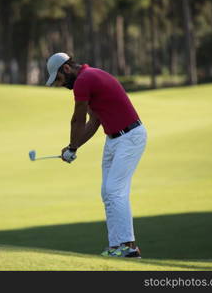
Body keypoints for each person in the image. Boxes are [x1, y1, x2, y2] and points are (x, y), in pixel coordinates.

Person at [45, 52, 147, 258]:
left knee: (114, 190)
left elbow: (78, 120)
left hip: (130, 137)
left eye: (58, 79)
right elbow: (94, 121)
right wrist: (73, 147)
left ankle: (129, 246)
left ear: (66, 69)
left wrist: (73, 148)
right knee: (107, 192)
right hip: (114, 139)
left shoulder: (84, 80)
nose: (59, 84)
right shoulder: (89, 77)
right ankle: (116, 246)